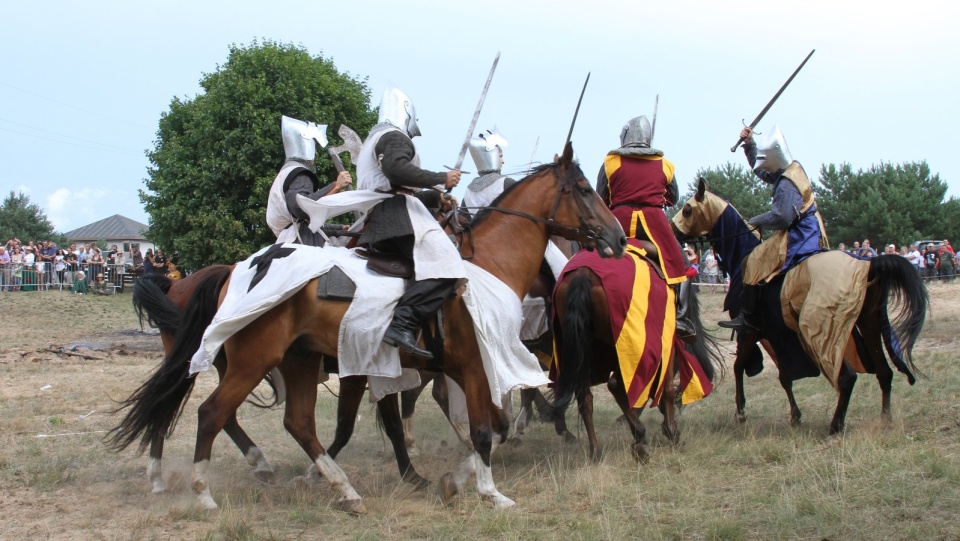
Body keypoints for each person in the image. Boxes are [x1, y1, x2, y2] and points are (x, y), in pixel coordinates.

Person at [354, 84, 465, 359]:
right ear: (406, 113)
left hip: (386, 210)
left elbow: (394, 185)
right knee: (447, 265)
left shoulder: (376, 138)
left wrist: (436, 198)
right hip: (396, 216)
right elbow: (396, 170)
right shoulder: (393, 137)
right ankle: (402, 323)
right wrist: (441, 178)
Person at [719, 126, 828, 332]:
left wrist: (756, 220)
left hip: (800, 234)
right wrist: (749, 144)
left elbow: (782, 217)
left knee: (751, 261)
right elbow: (762, 170)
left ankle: (748, 317)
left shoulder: (787, 183)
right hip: (809, 227)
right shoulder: (792, 168)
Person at [596, 114, 696, 339]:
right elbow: (673, 196)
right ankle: (681, 317)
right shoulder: (665, 164)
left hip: (618, 222)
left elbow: (601, 197)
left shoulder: (610, 161)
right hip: (654, 224)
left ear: (625, 136)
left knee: (589, 255)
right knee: (683, 265)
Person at [266, 115, 353, 246]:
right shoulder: (300, 174)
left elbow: (310, 225)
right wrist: (336, 185)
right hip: (301, 242)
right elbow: (301, 208)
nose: (316, 155)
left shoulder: (287, 172)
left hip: (291, 239)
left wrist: (340, 229)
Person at [462, 128, 513, 210]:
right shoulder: (505, 183)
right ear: (493, 156)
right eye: (500, 156)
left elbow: (463, 220)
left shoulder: (469, 190)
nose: (503, 161)